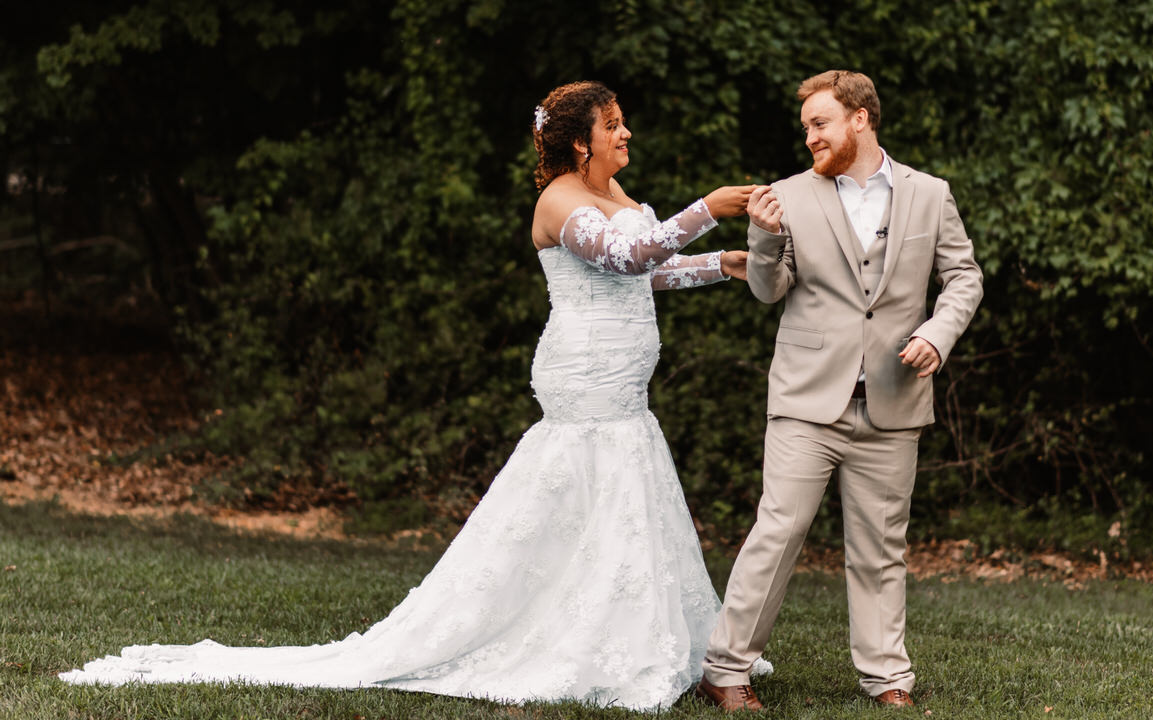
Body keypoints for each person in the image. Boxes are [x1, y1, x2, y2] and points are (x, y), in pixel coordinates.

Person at [61, 80, 768, 711]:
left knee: (622, 494)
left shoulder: (613, 196)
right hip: (583, 374)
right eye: (615, 125)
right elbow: (627, 255)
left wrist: (721, 265)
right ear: (582, 142)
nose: (627, 134)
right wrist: (708, 208)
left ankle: (636, 635)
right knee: (588, 489)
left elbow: (643, 276)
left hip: (624, 381)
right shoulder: (559, 200)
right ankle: (569, 638)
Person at [696, 70, 984, 712]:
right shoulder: (788, 197)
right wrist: (765, 239)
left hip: (893, 399)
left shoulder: (930, 194)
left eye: (819, 123)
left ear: (860, 118)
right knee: (777, 532)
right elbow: (770, 290)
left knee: (882, 546)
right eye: (806, 128)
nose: (809, 138)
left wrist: (938, 335)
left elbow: (964, 277)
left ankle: (887, 678)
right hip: (807, 400)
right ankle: (725, 669)